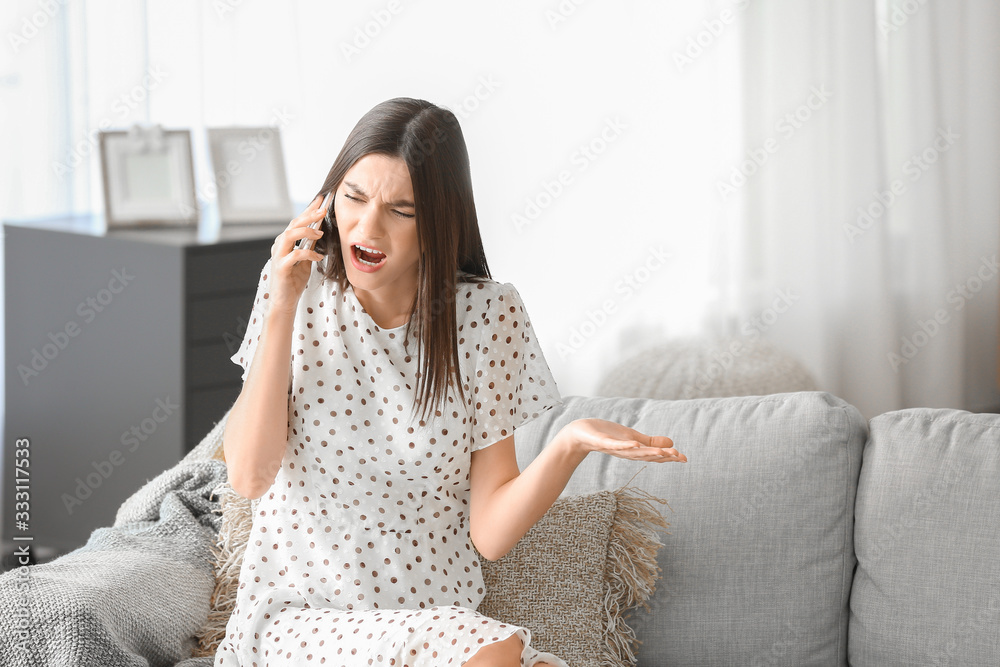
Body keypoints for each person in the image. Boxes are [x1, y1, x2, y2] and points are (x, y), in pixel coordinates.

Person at [214, 97, 686, 667]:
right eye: (354, 197)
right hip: (300, 623)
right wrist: (282, 306)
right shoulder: (297, 293)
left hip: (439, 627)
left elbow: (488, 532)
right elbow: (247, 474)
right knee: (494, 652)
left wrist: (570, 443)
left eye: (401, 210)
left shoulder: (489, 317)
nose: (367, 227)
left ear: (440, 221)